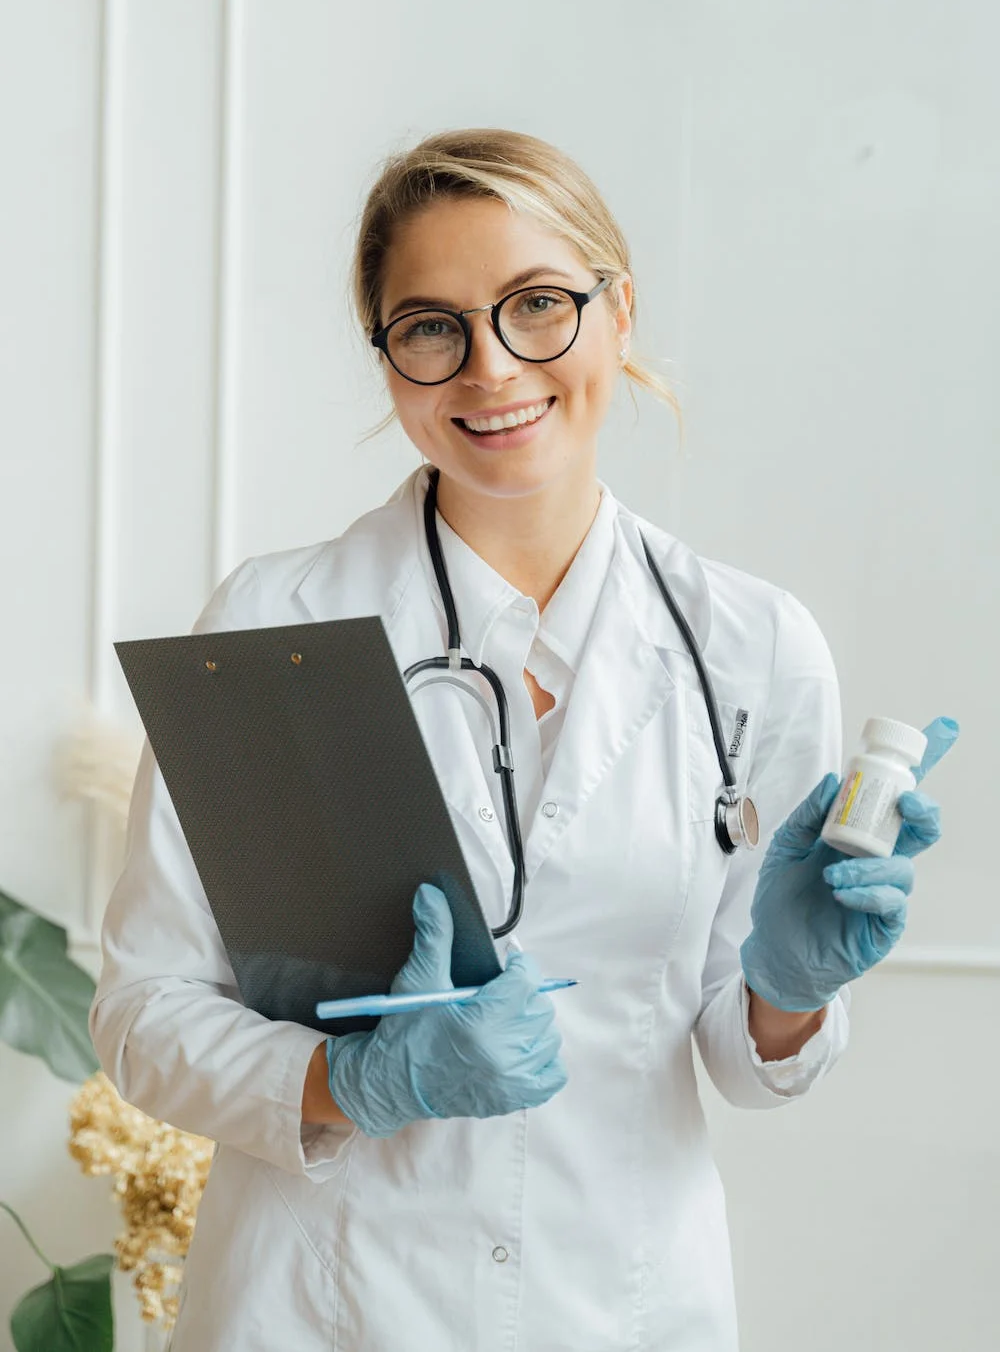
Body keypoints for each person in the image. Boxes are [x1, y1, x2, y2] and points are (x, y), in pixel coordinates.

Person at [90, 128, 957, 1351]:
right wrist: (362, 1081)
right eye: (430, 326)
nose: (490, 368)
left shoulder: (753, 645)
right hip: (322, 1307)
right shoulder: (275, 624)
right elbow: (143, 1014)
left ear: (618, 311)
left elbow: (739, 1050)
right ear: (386, 356)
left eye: (537, 305)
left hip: (621, 1302)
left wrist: (786, 990)